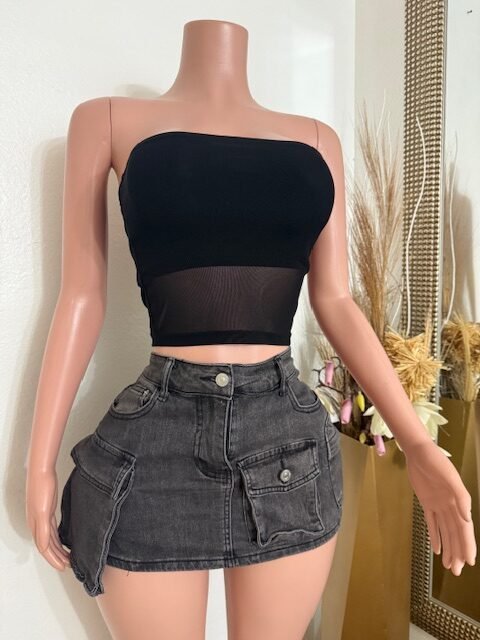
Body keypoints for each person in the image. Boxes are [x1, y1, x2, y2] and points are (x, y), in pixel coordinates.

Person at [26, 18, 476, 640]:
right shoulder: (104, 120)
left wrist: (419, 444)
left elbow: (335, 300)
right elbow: (80, 295)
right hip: (152, 445)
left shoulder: (317, 140)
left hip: (286, 442)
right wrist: (37, 464)